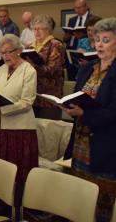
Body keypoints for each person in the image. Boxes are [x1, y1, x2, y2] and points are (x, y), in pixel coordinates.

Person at [63, 18, 116, 222]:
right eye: (97, 40)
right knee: (80, 197)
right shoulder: (87, 68)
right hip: (80, 142)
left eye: (106, 40)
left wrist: (84, 114)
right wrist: (67, 106)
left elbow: (113, 113)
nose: (100, 44)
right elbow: (76, 97)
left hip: (105, 144)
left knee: (102, 203)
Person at [0, 34, 38, 205]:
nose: (5, 56)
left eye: (9, 52)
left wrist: (1, 108)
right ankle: (0, 202)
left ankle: (19, 204)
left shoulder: (29, 70)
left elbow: (27, 103)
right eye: (2, 52)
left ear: (19, 51)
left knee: (18, 170)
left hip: (19, 129)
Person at [28, 14, 64, 120]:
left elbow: (52, 70)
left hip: (49, 96)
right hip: (33, 95)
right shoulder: (30, 46)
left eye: (40, 29)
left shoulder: (55, 45)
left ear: (48, 30)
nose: (37, 32)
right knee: (34, 131)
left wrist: (34, 66)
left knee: (49, 131)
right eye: (34, 29)